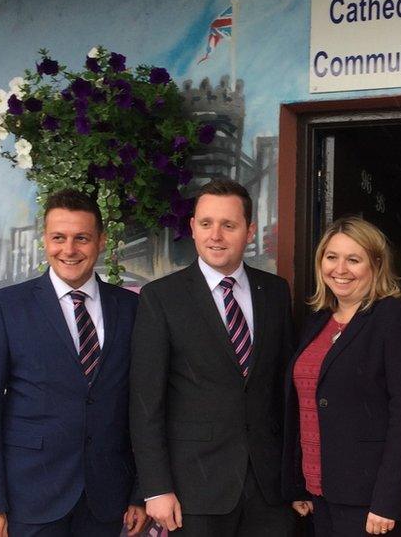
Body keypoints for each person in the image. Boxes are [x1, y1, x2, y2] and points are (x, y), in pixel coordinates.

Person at [0, 189, 147, 536]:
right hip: (29, 499)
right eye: (58, 237)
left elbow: (141, 406)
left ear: (102, 241)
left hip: (107, 500)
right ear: (44, 240)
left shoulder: (130, 308)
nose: (69, 249)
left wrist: (140, 492)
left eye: (82, 238)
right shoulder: (6, 308)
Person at [130, 178, 295, 536]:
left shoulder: (276, 293)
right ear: (192, 228)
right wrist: (156, 488)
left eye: (229, 225)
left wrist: (293, 478)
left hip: (269, 491)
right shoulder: (161, 298)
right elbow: (146, 404)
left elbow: (285, 392)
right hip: (195, 490)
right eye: (206, 224)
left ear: (249, 231)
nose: (216, 235)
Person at [282, 217, 401, 536]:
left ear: (375, 264)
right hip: (319, 493)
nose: (340, 269)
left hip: (369, 499)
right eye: (331, 257)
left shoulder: (393, 318)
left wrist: (388, 500)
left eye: (354, 259)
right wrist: (298, 482)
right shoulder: (317, 321)